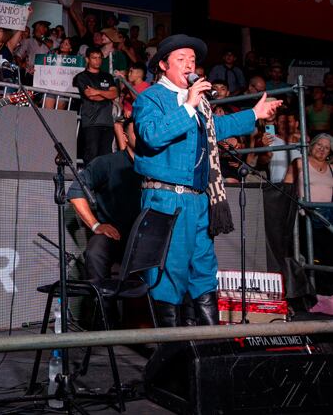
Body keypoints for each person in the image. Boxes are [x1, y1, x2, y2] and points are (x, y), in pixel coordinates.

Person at [133, 34, 282, 327]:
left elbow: (216, 126)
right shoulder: (151, 98)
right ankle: (171, 352)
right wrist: (188, 105)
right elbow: (150, 135)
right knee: (169, 270)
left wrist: (254, 113)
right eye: (181, 59)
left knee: (203, 268)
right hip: (167, 198)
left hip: (200, 198)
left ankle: (209, 345)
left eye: (193, 60)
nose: (190, 65)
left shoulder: (199, 104)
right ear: (163, 65)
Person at [67, 119, 142, 297]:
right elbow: (76, 191)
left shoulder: (159, 165)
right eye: (136, 132)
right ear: (125, 136)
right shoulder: (107, 163)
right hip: (116, 235)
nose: (143, 137)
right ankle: (104, 312)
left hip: (146, 238)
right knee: (95, 251)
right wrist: (96, 225)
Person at [284, 133, 333, 291]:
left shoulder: (332, 168)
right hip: (307, 216)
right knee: (312, 256)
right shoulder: (299, 163)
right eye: (319, 145)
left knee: (328, 256)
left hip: (328, 218)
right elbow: (286, 188)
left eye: (326, 148)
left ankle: (326, 294)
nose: (322, 149)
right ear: (312, 145)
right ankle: (314, 293)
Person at [73, 47, 118, 165]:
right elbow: (90, 96)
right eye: (94, 58)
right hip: (91, 121)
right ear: (87, 59)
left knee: (106, 155)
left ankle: (104, 182)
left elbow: (114, 93)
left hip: (107, 121)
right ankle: (90, 181)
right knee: (91, 154)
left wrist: (98, 91)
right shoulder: (82, 77)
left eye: (99, 58)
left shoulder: (107, 76)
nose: (97, 61)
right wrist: (106, 94)